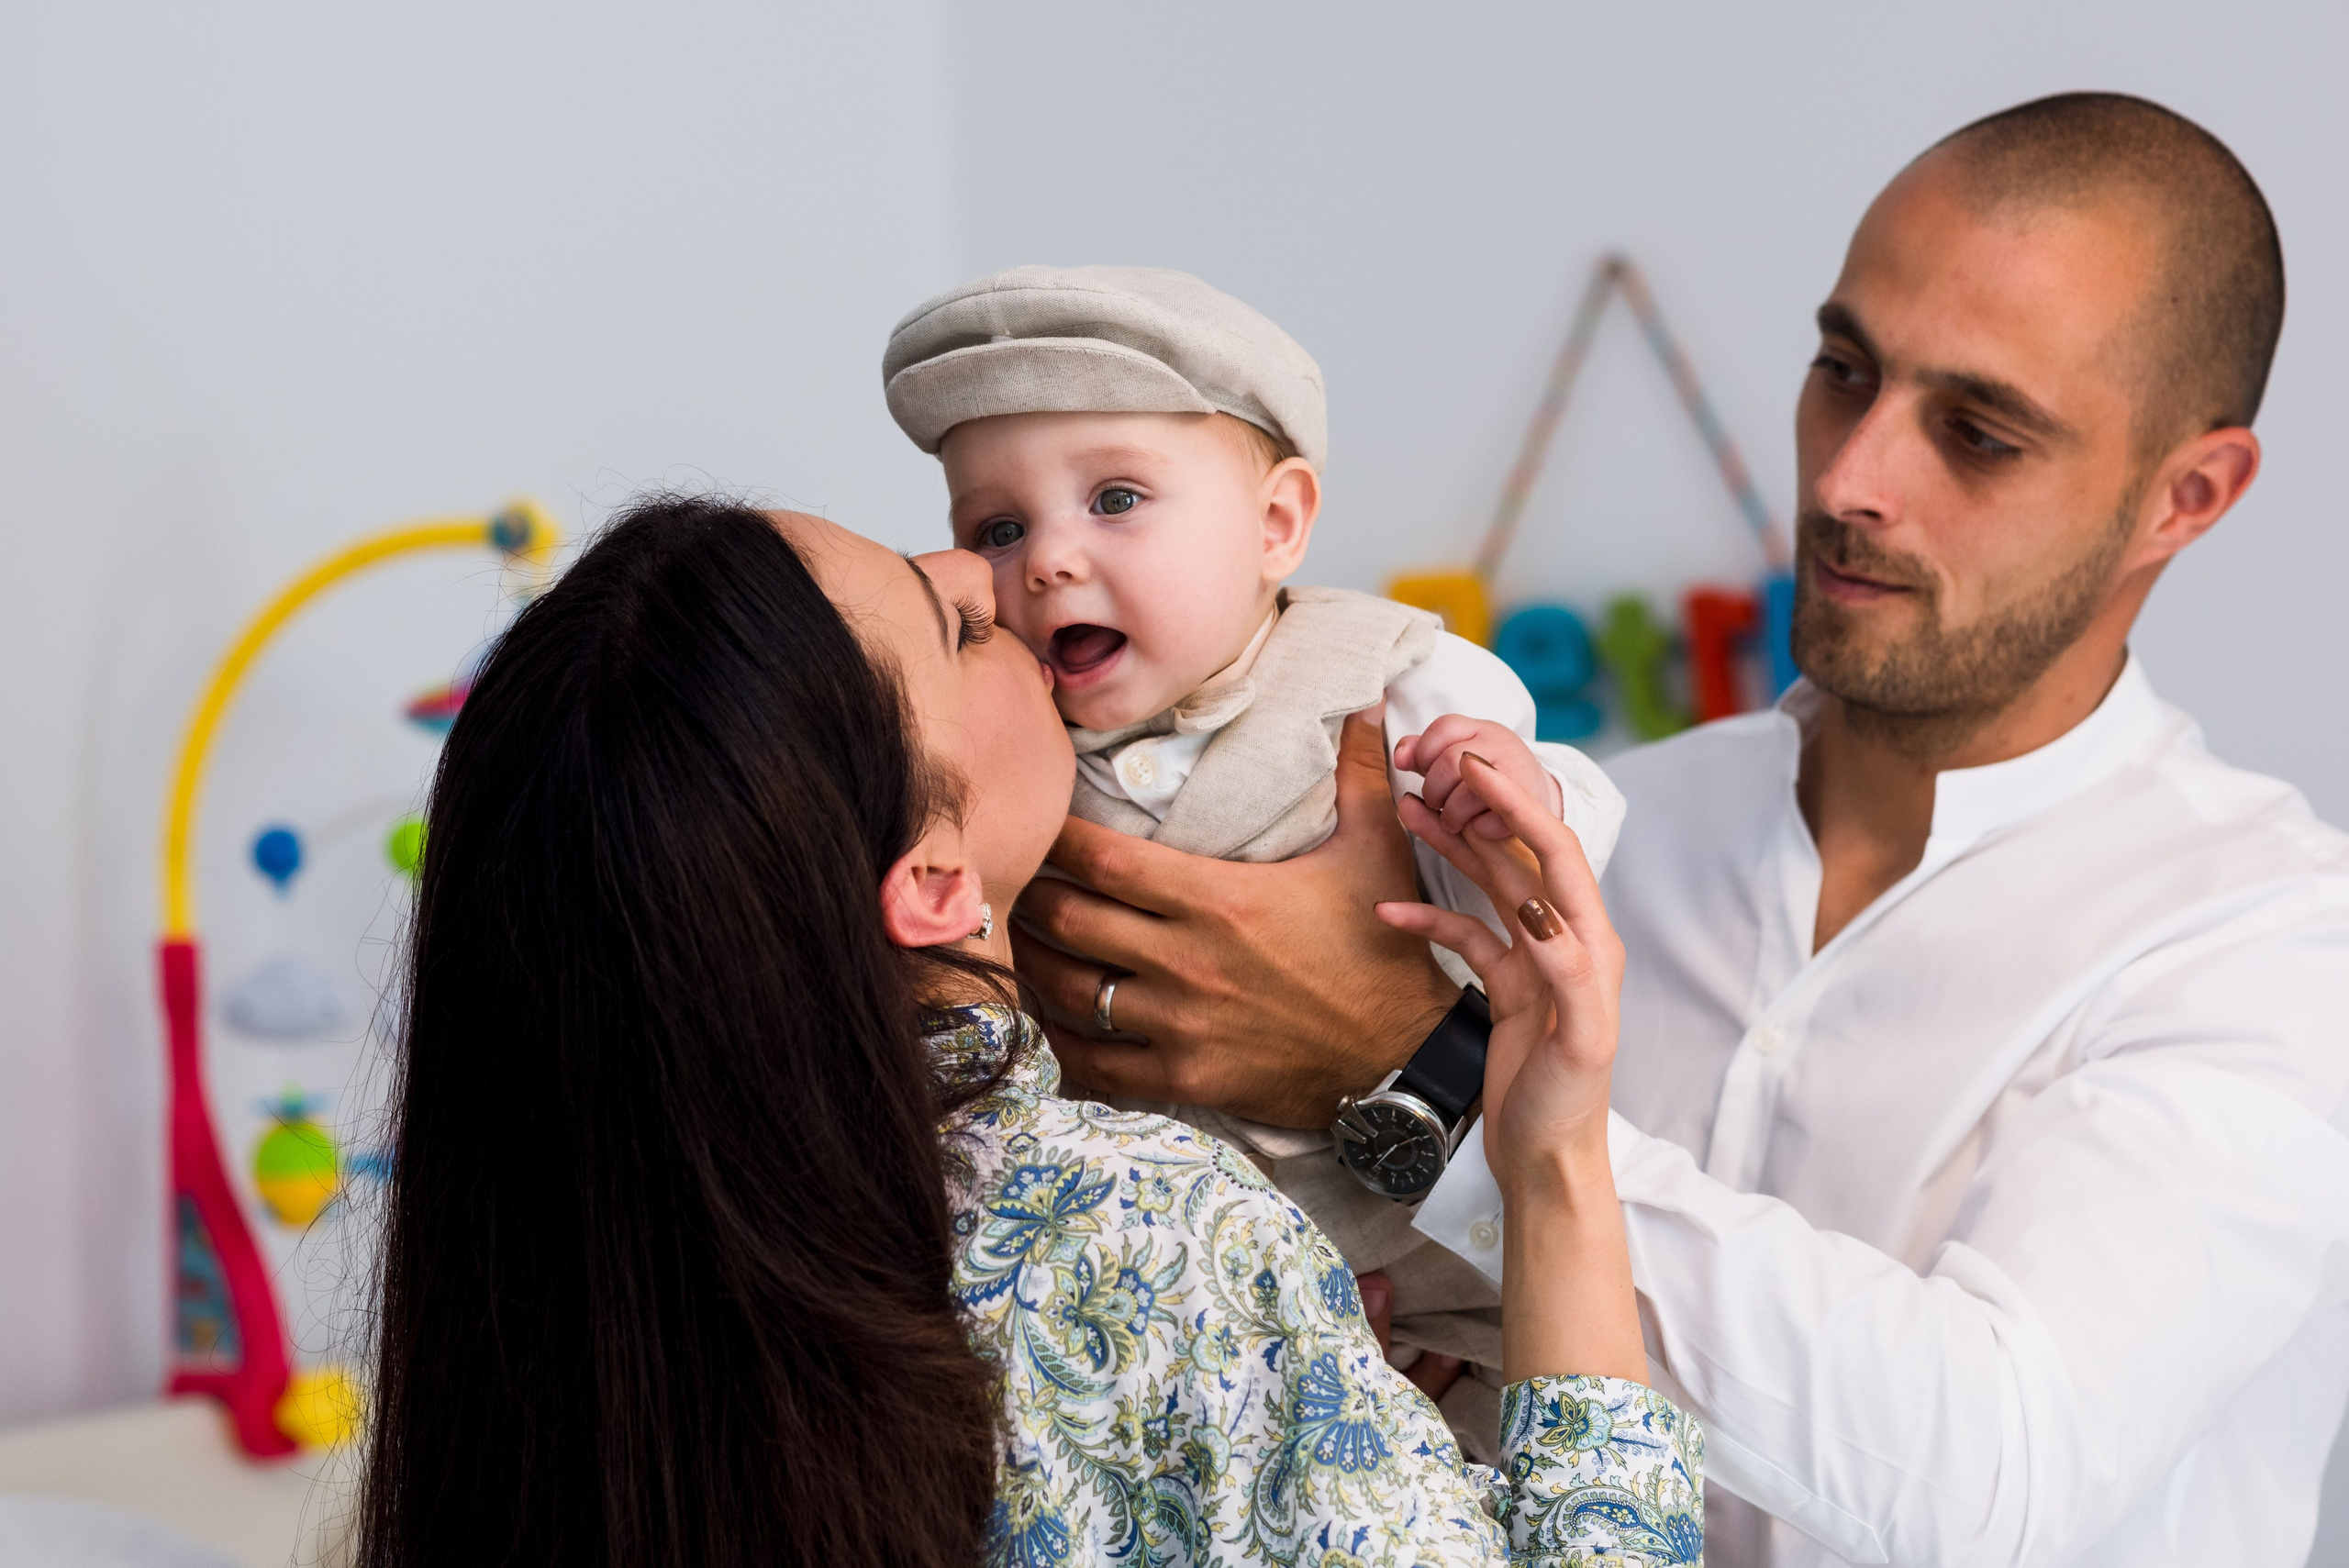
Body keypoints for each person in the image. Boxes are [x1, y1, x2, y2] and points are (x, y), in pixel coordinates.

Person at [1013, 92, 2349, 1567]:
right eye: (1843, 369)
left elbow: (1998, 1471)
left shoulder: (2274, 945)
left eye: (1977, 432)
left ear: (2189, 493)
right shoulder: (1592, 820)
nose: (1850, 481)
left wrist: (1418, 1082)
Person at [355, 493, 1701, 1567]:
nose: (986, 568)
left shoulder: (553, 1319)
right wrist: (1552, 1160)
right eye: (950, 633)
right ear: (935, 880)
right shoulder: (1142, 1231)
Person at [881, 263, 1627, 1440]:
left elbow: (1559, 837)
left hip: (1434, 1271)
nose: (1048, 561)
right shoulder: (1013, 751)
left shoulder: (1384, 685)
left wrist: (1515, 806)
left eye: (1115, 497)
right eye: (1001, 527)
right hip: (1184, 1328)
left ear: (1277, 523)